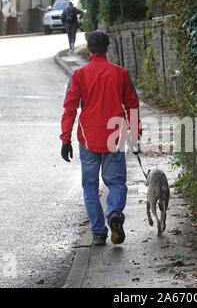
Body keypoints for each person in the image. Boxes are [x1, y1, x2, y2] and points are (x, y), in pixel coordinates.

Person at [60, 31, 142, 246]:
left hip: (88, 136)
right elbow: (132, 104)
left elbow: (70, 108)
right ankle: (114, 211)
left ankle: (98, 232)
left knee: (89, 186)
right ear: (108, 48)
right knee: (116, 181)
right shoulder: (120, 74)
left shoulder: (79, 75)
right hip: (114, 135)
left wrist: (65, 139)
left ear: (89, 49)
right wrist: (134, 133)